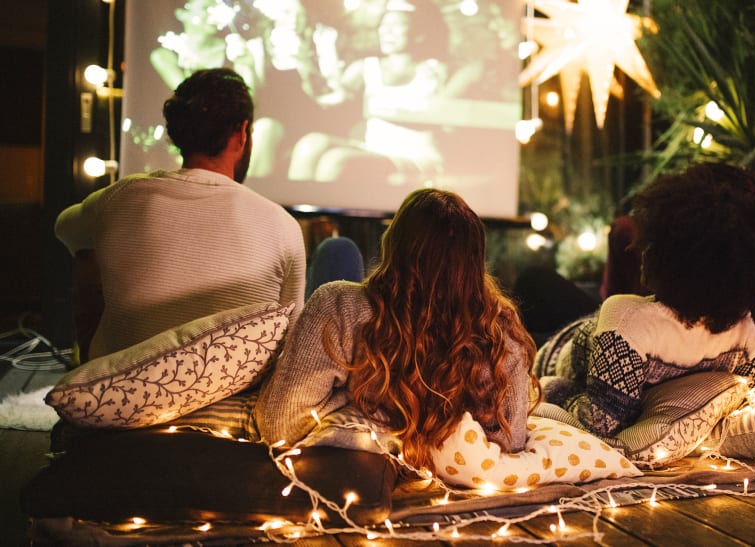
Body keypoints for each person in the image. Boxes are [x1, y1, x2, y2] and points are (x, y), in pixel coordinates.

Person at [256, 188, 538, 471]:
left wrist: (355, 400)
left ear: (392, 243)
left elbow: (280, 425)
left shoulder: (340, 305)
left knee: (338, 251)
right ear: (475, 262)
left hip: (357, 464)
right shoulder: (500, 326)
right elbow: (510, 443)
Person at [55, 68, 306, 361]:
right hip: (234, 395)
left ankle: (88, 364)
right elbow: (292, 340)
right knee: (336, 255)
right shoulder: (282, 224)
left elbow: (64, 228)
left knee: (89, 252)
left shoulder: (118, 199)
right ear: (241, 134)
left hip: (121, 389)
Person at [538, 163, 755, 438]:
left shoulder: (628, 319)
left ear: (664, 255)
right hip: (591, 329)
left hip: (551, 353)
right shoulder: (746, 335)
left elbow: (598, 423)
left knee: (536, 281)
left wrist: (550, 390)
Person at [288, 0, 453, 187]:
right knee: (310, 143)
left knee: (335, 160)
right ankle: (293, 214)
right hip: (371, 148)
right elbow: (332, 98)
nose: (386, 31)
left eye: (397, 25)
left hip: (415, 155)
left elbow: (451, 111)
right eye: (383, 25)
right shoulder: (366, 67)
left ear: (418, 33)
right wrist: (313, 62)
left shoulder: (435, 70)